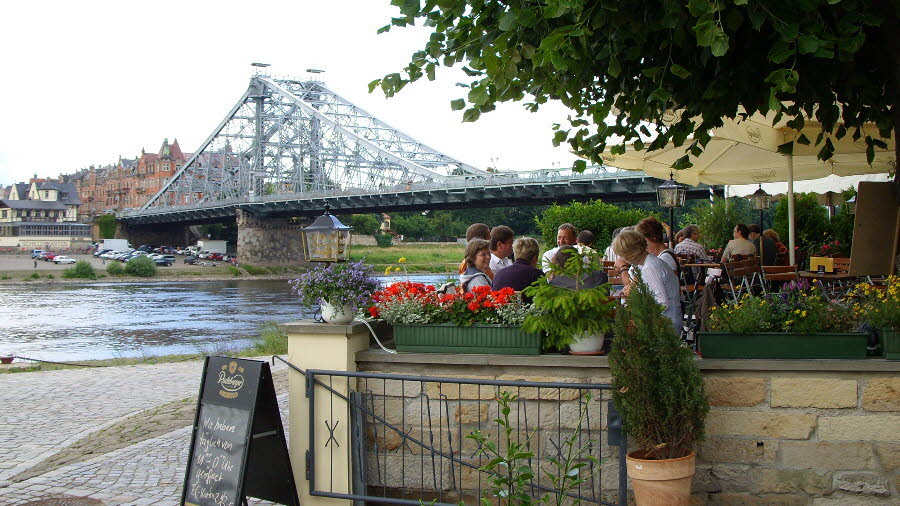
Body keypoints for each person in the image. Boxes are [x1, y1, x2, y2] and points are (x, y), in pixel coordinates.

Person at [612, 230, 682, 335]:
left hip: (665, 326)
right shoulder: (646, 262)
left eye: (621, 255)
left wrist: (640, 318)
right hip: (663, 321)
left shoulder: (650, 268)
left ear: (629, 254)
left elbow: (661, 303)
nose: (621, 258)